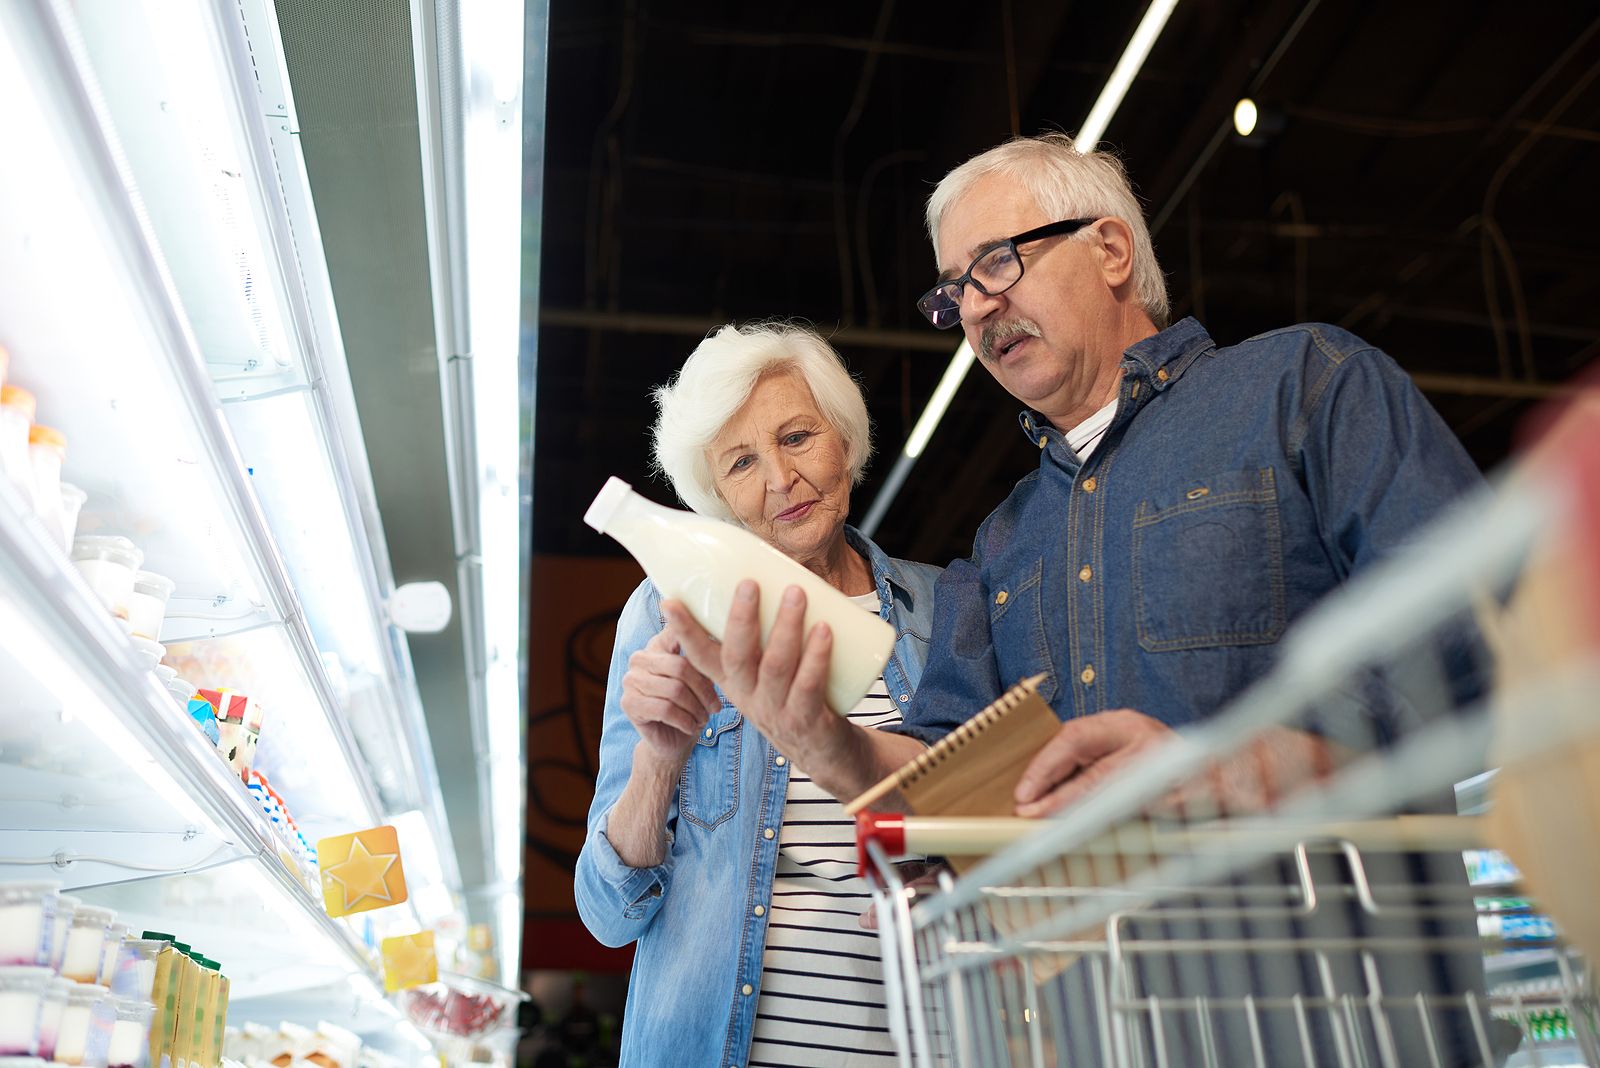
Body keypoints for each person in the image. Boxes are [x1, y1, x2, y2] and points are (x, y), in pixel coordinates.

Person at [668, 135, 1513, 1064]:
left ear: (1112, 249)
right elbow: (946, 782)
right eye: (956, 292)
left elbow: (1480, 615)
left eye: (1000, 262)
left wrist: (1239, 766)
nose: (978, 308)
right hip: (1102, 1031)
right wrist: (823, 742)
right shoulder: (1000, 544)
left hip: (1346, 1014)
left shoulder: (1306, 388)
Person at [574, 322, 942, 1068]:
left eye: (798, 436)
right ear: (718, 497)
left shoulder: (945, 606)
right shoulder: (666, 612)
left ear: (843, 438)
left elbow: (995, 836)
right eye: (741, 462)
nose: (780, 477)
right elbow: (608, 913)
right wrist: (658, 760)